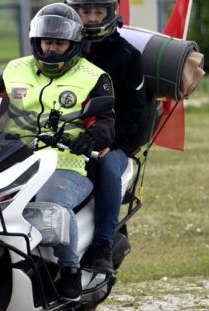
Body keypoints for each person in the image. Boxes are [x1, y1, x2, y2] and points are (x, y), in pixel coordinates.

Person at [0, 3, 115, 300]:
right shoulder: (14, 70)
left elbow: (106, 121)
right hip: (15, 158)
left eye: (59, 44)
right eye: (47, 42)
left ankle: (69, 269)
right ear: (37, 41)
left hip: (67, 164)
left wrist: (92, 137)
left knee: (52, 202)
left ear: (73, 45)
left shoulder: (94, 77)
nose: (52, 50)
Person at [65, 0, 146, 272]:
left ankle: (102, 245)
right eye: (84, 11)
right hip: (62, 136)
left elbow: (133, 112)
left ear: (110, 14)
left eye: (98, 12)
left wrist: (110, 144)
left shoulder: (127, 56)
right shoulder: (60, 48)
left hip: (112, 141)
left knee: (108, 168)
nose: (90, 18)